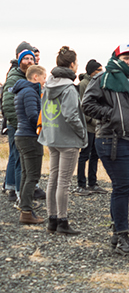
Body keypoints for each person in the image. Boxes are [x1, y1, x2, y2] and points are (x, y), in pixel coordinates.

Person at [82, 44, 129, 257]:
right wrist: (111, 114)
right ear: (117, 58)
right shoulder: (103, 79)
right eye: (126, 58)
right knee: (122, 186)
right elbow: (86, 104)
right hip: (113, 140)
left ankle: (118, 233)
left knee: (128, 185)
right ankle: (122, 236)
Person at [38, 46, 88, 235]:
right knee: (64, 182)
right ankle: (62, 221)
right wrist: (82, 133)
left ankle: (52, 219)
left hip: (52, 136)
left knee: (53, 178)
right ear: (73, 64)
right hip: (68, 140)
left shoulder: (48, 85)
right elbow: (71, 115)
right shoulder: (68, 89)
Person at [13, 65, 47, 224]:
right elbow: (34, 116)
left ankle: (25, 208)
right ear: (35, 77)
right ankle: (26, 211)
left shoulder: (22, 91)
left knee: (26, 174)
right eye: (43, 78)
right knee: (33, 175)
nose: (44, 81)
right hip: (30, 137)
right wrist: (45, 124)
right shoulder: (29, 92)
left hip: (22, 135)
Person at [2, 47, 36, 202]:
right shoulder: (14, 77)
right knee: (18, 159)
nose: (29, 61)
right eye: (26, 59)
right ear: (19, 60)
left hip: (20, 125)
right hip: (17, 125)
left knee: (16, 157)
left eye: (31, 59)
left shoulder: (25, 77)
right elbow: (8, 105)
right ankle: (17, 193)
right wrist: (18, 124)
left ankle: (11, 187)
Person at [75, 59, 107, 196]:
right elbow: (83, 106)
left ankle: (93, 183)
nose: (101, 72)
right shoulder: (84, 84)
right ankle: (81, 184)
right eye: (99, 70)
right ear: (92, 71)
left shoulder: (99, 83)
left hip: (97, 127)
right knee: (84, 155)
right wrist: (94, 121)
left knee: (95, 155)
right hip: (88, 127)